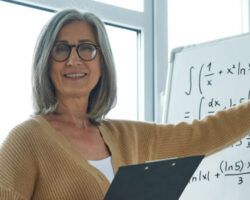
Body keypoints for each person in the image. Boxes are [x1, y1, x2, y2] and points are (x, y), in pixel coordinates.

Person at [0, 8, 250, 200]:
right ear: (46, 61)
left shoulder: (128, 136)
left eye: (86, 49)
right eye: (61, 49)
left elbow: (202, 133)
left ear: (102, 62)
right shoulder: (26, 140)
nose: (73, 60)